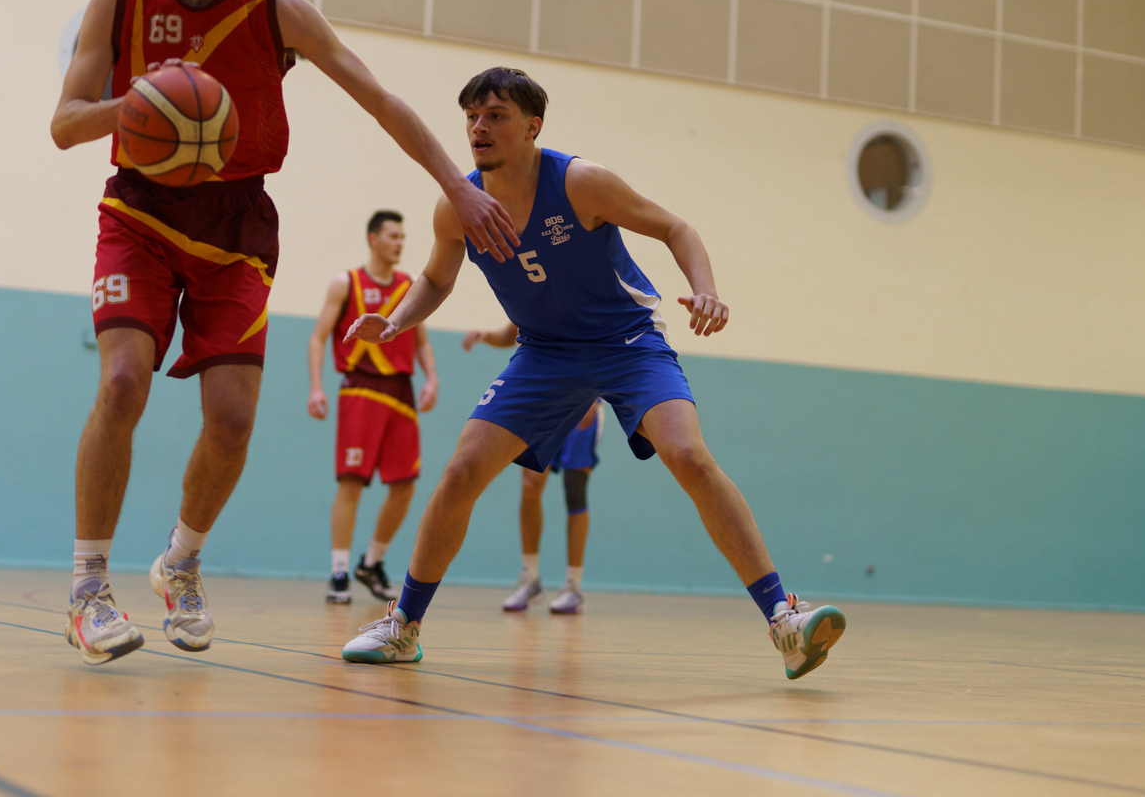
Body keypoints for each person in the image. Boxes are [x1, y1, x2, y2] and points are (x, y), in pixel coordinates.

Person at [48, 0, 517, 666]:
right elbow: (64, 124)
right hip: (142, 210)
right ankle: (88, 589)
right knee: (122, 382)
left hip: (238, 225)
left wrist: (460, 184)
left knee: (232, 420)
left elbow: (380, 98)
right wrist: (144, 102)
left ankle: (180, 563)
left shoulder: (279, 11)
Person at [340, 68, 845, 680]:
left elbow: (675, 228)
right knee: (462, 470)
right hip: (544, 353)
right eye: (471, 116)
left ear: (533, 126)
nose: (478, 128)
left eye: (496, 115)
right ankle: (403, 626)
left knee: (689, 456)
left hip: (626, 342)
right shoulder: (458, 206)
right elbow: (436, 278)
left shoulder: (580, 183)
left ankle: (784, 620)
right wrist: (395, 322)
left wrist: (706, 289)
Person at [307, 210, 438, 604]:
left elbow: (421, 340)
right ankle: (339, 571)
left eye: (403, 236)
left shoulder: (409, 286)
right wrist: (316, 387)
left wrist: (432, 377)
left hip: (401, 392)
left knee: (405, 485)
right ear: (374, 239)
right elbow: (317, 338)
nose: (400, 243)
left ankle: (372, 562)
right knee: (351, 481)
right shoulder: (345, 283)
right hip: (360, 389)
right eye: (393, 236)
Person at [465, 321, 596, 614]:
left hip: (583, 391)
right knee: (530, 485)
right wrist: (486, 335)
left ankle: (573, 585)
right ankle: (530, 577)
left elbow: (604, 336)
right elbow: (510, 332)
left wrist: (596, 393)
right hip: (542, 397)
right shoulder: (533, 294)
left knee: (575, 488)